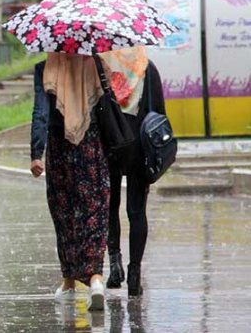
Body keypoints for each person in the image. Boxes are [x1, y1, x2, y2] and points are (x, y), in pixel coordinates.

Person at [30, 53, 109, 311]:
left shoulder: (45, 68)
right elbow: (109, 106)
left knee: (64, 214)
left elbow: (40, 112)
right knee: (94, 211)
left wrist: (36, 153)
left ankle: (69, 283)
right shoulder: (96, 65)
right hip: (92, 146)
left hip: (59, 147)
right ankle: (96, 279)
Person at [100, 47, 166, 297]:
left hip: (110, 145)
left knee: (110, 207)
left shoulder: (103, 68)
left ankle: (115, 266)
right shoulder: (148, 68)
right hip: (140, 147)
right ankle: (135, 274)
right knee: (136, 211)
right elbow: (159, 114)